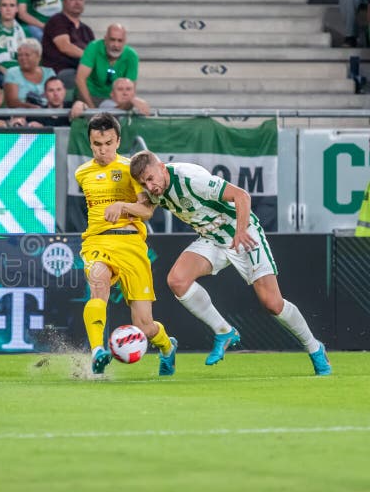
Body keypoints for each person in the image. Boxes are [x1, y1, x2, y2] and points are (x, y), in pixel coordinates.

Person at [129, 150, 332, 376]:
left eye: (150, 178)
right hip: (212, 238)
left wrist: (240, 231)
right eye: (143, 183)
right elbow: (146, 204)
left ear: (162, 167)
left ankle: (315, 348)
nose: (149, 186)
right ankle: (223, 331)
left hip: (242, 233)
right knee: (177, 280)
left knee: (272, 303)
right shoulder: (154, 190)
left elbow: (242, 196)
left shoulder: (191, 179)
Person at [75, 113, 178, 376]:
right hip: (98, 242)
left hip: (131, 244)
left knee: (144, 326)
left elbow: (147, 211)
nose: (103, 149)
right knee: (98, 282)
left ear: (118, 140)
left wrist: (121, 206)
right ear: (90, 143)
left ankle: (167, 346)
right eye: (97, 144)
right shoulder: (82, 173)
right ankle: (98, 351)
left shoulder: (130, 168)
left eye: (108, 143)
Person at [75, 23, 138, 109]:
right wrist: (91, 109)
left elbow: (130, 87)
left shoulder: (131, 55)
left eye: (120, 41)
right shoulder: (93, 47)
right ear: (105, 39)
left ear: (125, 41)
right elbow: (80, 79)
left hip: (114, 99)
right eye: (112, 40)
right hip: (89, 95)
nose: (116, 45)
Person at [40, 0, 93, 90]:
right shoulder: (57, 20)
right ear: (63, 2)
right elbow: (65, 47)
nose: (77, 2)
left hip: (81, 70)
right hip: (59, 72)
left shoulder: (87, 30)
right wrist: (88, 57)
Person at [2, 37, 54, 109]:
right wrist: (34, 109)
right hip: (21, 116)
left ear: (38, 56)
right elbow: (12, 102)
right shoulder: (12, 73)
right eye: (20, 55)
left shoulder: (49, 73)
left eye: (27, 55)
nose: (23, 58)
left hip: (48, 115)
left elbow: (55, 97)